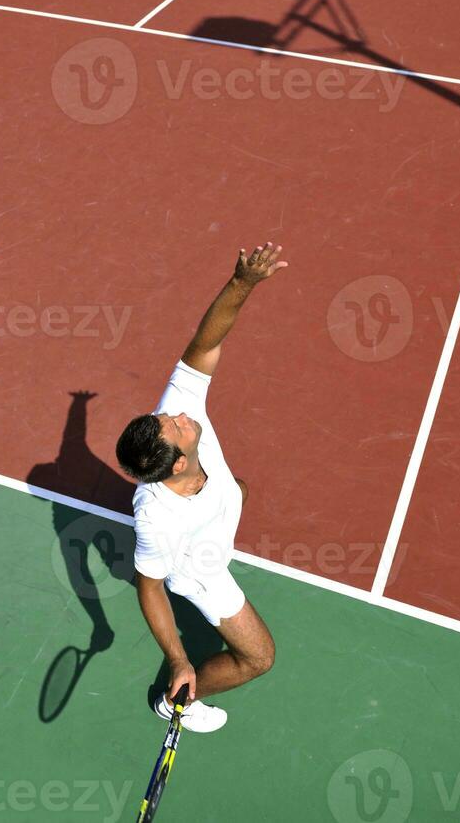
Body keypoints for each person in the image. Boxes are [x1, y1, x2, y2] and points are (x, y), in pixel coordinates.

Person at [115, 242, 289, 732]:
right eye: (178, 425)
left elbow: (204, 344)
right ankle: (178, 702)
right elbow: (149, 590)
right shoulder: (157, 516)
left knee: (238, 488)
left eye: (168, 416)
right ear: (174, 466)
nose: (181, 414)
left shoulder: (173, 422)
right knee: (259, 657)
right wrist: (178, 659)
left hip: (214, 508)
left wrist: (243, 283)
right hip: (200, 568)